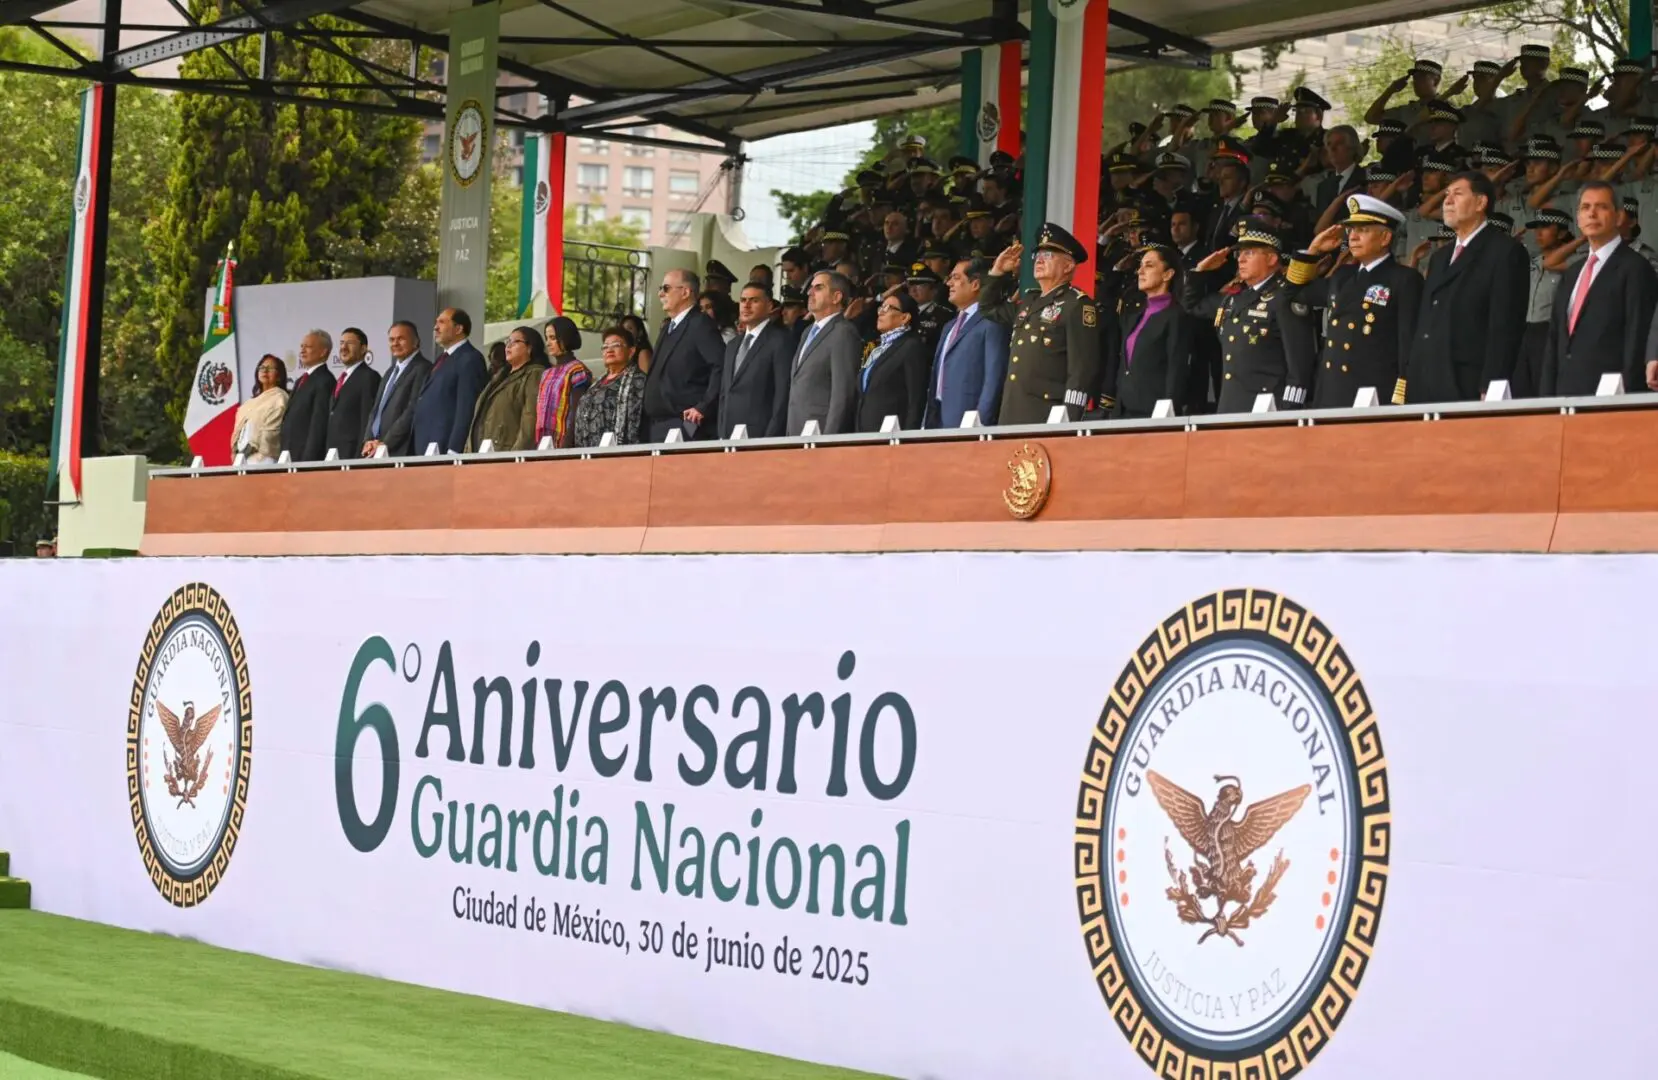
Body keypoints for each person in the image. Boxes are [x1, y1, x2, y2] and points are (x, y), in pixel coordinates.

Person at [1399, 171, 1529, 403]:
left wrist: (1492, 385)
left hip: (1467, 383)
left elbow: (1505, 326)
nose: (1447, 201)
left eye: (1457, 194)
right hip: (1424, 382)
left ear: (1480, 203)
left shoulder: (1504, 251)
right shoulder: (1440, 257)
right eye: (1447, 195)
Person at [1284, 195, 1423, 409]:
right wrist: (1313, 251)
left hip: (1373, 394)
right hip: (1330, 392)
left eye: (1363, 230)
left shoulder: (1404, 279)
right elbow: (1293, 294)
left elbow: (1408, 342)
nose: (1354, 237)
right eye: (1351, 230)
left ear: (1385, 238)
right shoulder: (1343, 276)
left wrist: (1401, 395)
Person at [1184, 218, 1319, 412]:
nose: (1240, 259)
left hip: (1269, 409)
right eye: (1239, 253)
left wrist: (1289, 411)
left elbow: (1300, 364)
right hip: (1230, 406)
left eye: (1249, 253)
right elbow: (1192, 306)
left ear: (1271, 259)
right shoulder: (1233, 298)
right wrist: (1200, 271)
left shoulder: (1285, 297)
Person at [1540, 182, 1658, 395]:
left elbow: (1637, 336)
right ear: (1578, 218)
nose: (1592, 214)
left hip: (1611, 396)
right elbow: (1555, 340)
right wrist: (1547, 399)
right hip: (1565, 396)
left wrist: (1629, 395)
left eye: (1602, 207)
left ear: (1619, 216)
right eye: (1585, 208)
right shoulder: (1573, 273)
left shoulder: (1636, 268)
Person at [981, 222, 1102, 424]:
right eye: (1037, 255)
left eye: (1048, 255)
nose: (1039, 260)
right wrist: (997, 271)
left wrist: (1069, 419)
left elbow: (1081, 370)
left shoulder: (1076, 305)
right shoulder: (1029, 302)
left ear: (1068, 266)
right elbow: (987, 308)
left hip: (1047, 416)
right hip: (1012, 413)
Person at [1101, 245, 1195, 418]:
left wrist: (1168, 414)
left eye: (1149, 265)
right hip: (1124, 411)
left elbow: (1176, 369)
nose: (1140, 271)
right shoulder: (1134, 314)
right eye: (1140, 266)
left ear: (1167, 274)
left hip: (1155, 413)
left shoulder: (1176, 316)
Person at [925, 258, 1008, 428]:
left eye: (956, 278)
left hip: (969, 423)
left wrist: (980, 423)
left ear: (975, 284)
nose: (948, 283)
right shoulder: (949, 326)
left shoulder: (991, 322)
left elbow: (994, 378)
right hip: (939, 421)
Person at [643, 268, 723, 441]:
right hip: (657, 424)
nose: (660, 294)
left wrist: (703, 406)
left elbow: (720, 366)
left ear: (685, 292)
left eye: (666, 288)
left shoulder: (700, 323)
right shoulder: (668, 327)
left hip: (685, 423)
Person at [786, 270, 862, 435]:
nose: (810, 292)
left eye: (818, 288)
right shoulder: (807, 332)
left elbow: (842, 393)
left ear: (836, 297)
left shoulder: (843, 332)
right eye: (810, 288)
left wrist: (828, 439)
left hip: (820, 433)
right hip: (797, 431)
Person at [717, 283, 792, 439]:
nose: (746, 305)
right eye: (743, 300)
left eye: (754, 300)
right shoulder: (733, 345)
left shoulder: (780, 341)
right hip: (728, 435)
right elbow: (725, 393)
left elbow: (782, 394)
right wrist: (722, 432)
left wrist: (770, 437)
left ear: (769, 306)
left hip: (760, 436)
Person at [1514, 207, 1572, 396]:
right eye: (1537, 228)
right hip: (1525, 329)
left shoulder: (1573, 261)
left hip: (1549, 329)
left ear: (1561, 233)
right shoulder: (1531, 261)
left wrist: (1580, 239)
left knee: (1545, 387)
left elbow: (1552, 263)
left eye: (1546, 227)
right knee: (1522, 389)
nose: (1538, 233)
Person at [412, 308, 487, 454]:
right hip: (427, 445)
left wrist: (455, 448)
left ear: (458, 329)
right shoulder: (442, 359)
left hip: (445, 447)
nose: (436, 327)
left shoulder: (470, 358)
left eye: (442, 322)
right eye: (436, 323)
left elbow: (467, 407)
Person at [855, 290, 929, 431]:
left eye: (888, 308)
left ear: (904, 317)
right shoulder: (877, 350)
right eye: (881, 307)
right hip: (865, 433)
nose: (881, 312)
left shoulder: (911, 346)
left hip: (893, 434)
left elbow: (916, 399)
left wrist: (908, 437)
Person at [467, 326, 549, 453]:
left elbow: (530, 419)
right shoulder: (500, 376)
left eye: (515, 342)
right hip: (482, 451)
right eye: (508, 341)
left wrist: (515, 456)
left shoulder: (534, 374)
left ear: (529, 348)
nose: (508, 346)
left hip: (506, 454)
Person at [362, 321, 432, 458]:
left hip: (399, 450)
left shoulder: (423, 368)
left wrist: (386, 443)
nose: (395, 343)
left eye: (401, 339)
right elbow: (376, 410)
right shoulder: (389, 372)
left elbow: (412, 410)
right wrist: (368, 440)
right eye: (392, 339)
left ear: (416, 342)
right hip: (376, 450)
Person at [573, 326, 648, 447]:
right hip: (588, 452)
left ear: (631, 351)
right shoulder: (597, 383)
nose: (609, 350)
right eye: (605, 346)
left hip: (618, 451)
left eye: (616, 345)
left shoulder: (638, 380)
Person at [535, 316, 591, 449]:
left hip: (564, 443)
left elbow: (577, 411)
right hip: (542, 444)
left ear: (566, 338)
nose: (548, 343)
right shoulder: (546, 373)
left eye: (553, 338)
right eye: (547, 338)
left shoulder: (577, 370)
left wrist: (567, 444)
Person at [325, 327, 381, 460]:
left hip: (352, 455)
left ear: (363, 349)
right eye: (341, 343)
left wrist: (359, 458)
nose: (343, 347)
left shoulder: (369, 377)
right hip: (333, 455)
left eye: (349, 343)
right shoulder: (341, 379)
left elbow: (367, 419)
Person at [279, 328, 335, 461]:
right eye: (301, 346)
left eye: (308, 347)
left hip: (305, 459)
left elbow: (318, 425)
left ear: (323, 352)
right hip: (289, 456)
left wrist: (308, 461)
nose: (302, 351)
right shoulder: (301, 380)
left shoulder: (325, 380)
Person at [230, 354, 288, 462]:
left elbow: (271, 430)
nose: (265, 371)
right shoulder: (248, 403)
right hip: (241, 458)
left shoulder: (279, 397)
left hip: (264, 457)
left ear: (279, 376)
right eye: (262, 367)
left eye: (270, 368)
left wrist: (255, 448)